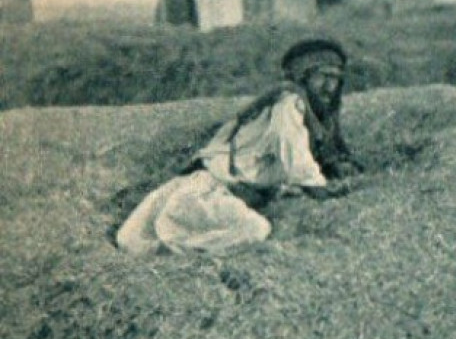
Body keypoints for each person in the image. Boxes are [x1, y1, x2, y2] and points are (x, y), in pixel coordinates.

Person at [115, 38, 363, 255]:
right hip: (208, 193)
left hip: (225, 193)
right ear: (303, 76)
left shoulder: (308, 113)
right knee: (255, 230)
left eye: (336, 79)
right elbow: (294, 154)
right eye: (324, 77)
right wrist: (319, 188)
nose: (330, 87)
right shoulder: (289, 103)